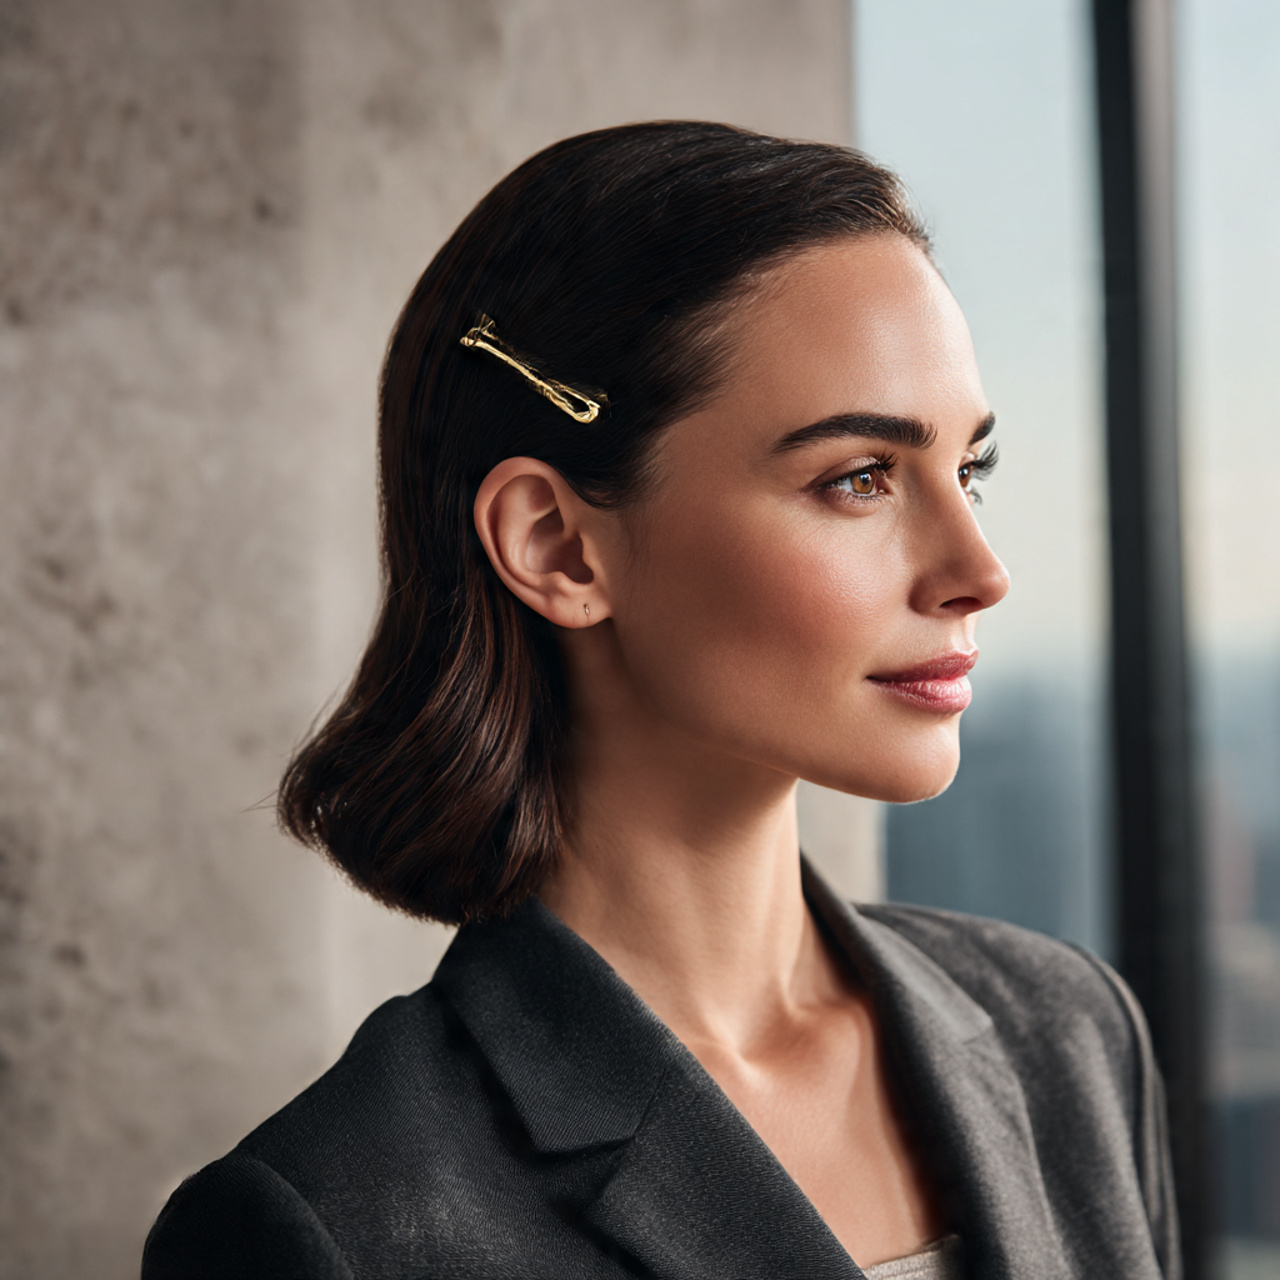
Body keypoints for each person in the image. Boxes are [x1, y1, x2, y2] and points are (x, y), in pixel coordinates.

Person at [142, 121, 1180, 1280]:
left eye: (967, 469)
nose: (978, 568)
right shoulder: (335, 1222)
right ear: (558, 546)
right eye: (858, 478)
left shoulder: (1068, 1033)